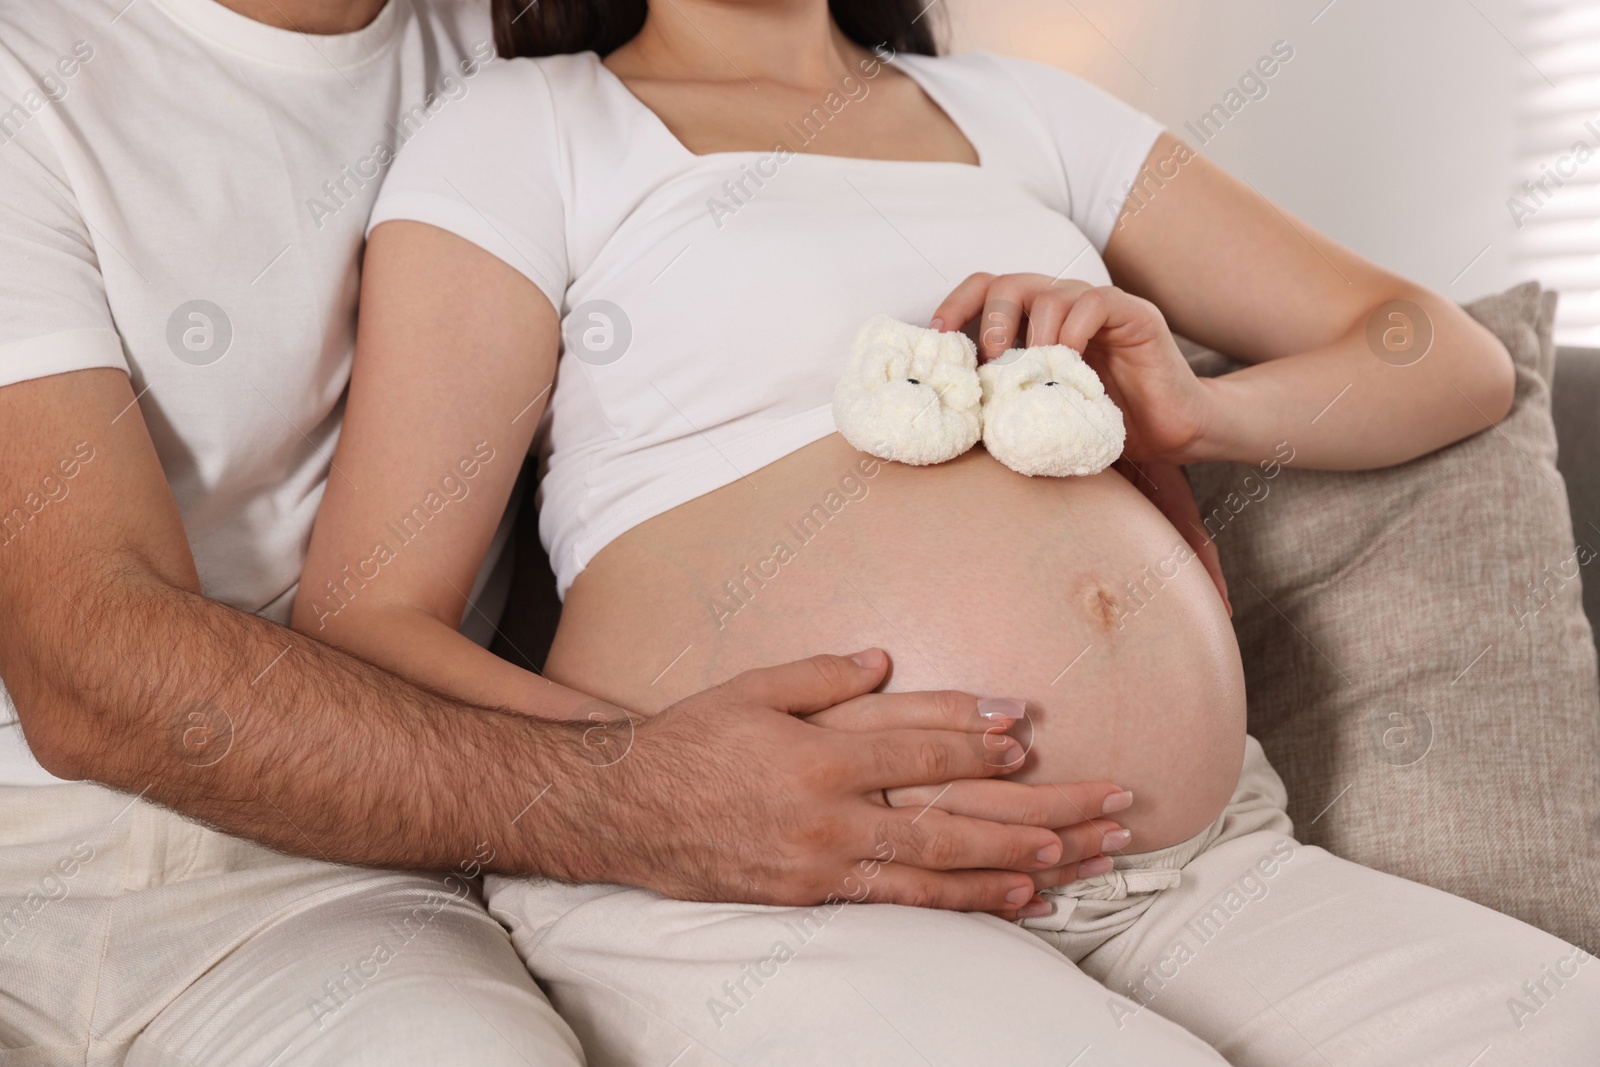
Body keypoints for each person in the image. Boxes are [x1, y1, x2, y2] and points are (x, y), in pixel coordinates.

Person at [292, 0, 1600, 1062]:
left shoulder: (1027, 112)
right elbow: (361, 613)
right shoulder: (529, 129)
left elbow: (1447, 357)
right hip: (780, 888)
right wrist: (656, 778)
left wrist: (1194, 411)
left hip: (1189, 867)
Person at [0, 0, 1129, 1062]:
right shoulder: (34, 73)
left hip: (346, 848)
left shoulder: (528, 48)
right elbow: (87, 661)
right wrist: (646, 790)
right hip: (34, 841)